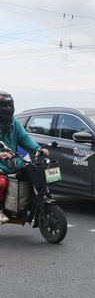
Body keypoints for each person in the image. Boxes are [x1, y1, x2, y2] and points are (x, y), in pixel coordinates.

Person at [0, 91, 49, 223]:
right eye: (4, 106)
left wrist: (38, 149)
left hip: (14, 163)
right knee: (1, 183)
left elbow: (25, 139)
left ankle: (26, 205)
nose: (8, 109)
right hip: (1, 165)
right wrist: (0, 154)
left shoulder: (15, 124)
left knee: (33, 173)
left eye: (9, 105)